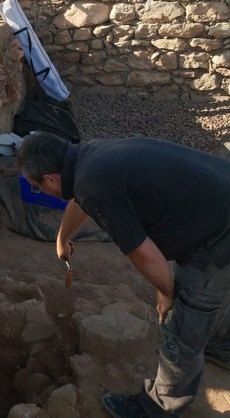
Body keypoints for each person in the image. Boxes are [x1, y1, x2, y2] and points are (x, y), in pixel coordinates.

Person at [16, 132, 230, 418]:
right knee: (215, 299)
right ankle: (221, 343)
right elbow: (81, 200)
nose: (40, 191)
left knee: (180, 324)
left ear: (50, 179)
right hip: (220, 202)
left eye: (37, 186)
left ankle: (158, 410)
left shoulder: (94, 184)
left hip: (219, 240)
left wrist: (166, 294)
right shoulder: (90, 155)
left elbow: (144, 254)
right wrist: (62, 239)